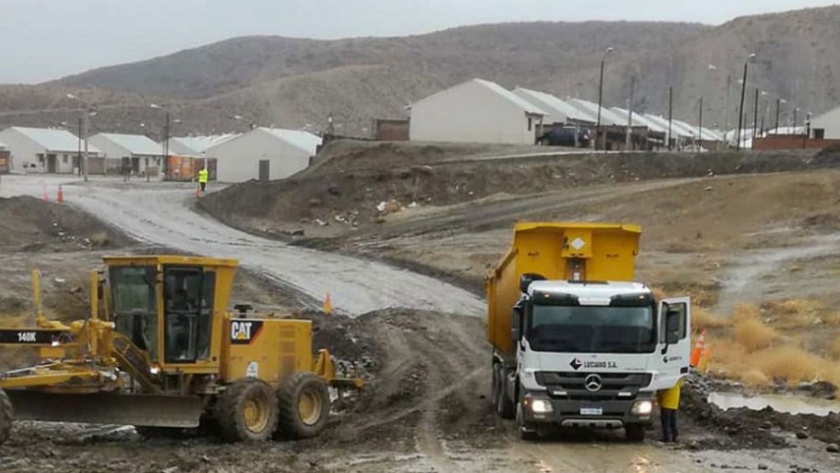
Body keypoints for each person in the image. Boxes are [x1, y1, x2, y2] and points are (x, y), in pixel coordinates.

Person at [657, 377, 684, 443]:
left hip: (666, 402)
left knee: (665, 421)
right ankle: (675, 437)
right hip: (674, 402)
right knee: (673, 420)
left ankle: (666, 437)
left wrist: (658, 399)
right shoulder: (678, 379)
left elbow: (661, 391)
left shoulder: (666, 380)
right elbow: (681, 384)